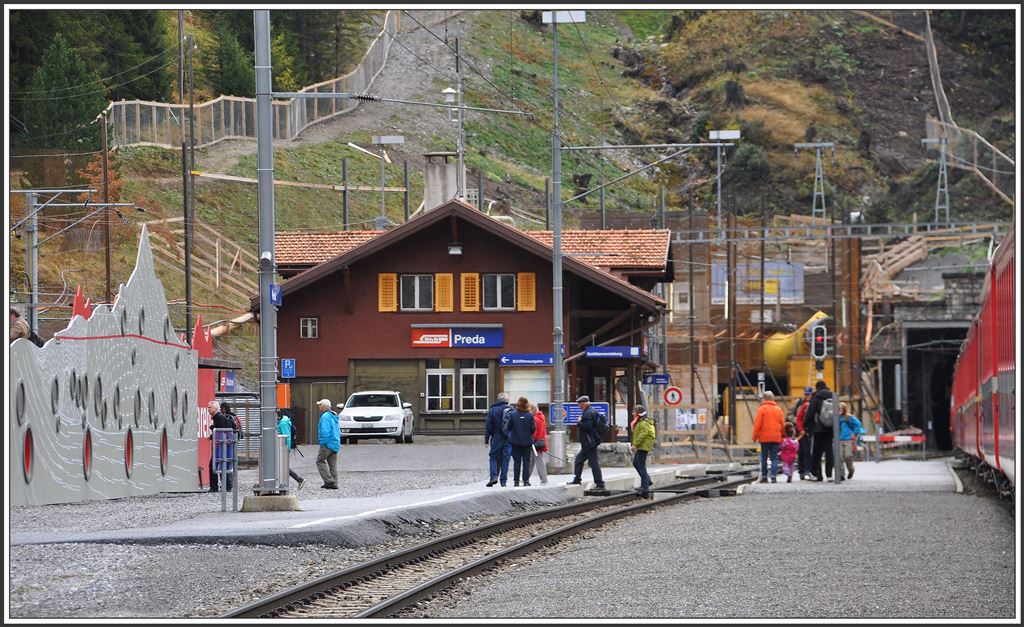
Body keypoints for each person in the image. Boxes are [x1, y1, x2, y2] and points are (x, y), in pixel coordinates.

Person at [568, 395, 605, 489]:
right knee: (579, 460)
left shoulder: (587, 413)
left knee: (593, 463)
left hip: (589, 443)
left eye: (579, 404)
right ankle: (577, 479)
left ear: (584, 403)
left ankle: (600, 483)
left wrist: (579, 422)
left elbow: (588, 427)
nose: (578, 406)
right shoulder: (591, 411)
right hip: (589, 442)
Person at [805, 380, 835, 481]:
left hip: (818, 429)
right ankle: (829, 475)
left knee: (817, 452)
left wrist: (809, 427)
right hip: (830, 428)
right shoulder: (833, 396)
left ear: (817, 387)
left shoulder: (816, 398)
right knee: (829, 451)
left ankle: (818, 474)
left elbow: (810, 414)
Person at [752, 391, 785, 483]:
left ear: (764, 398)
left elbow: (757, 424)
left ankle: (764, 476)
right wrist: (782, 436)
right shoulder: (778, 409)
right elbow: (782, 424)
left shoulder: (762, 409)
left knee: (764, 457)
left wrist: (754, 436)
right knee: (774, 457)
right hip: (776, 437)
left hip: (764, 437)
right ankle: (774, 476)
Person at [506, 396, 536, 486]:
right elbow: (533, 429)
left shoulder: (513, 415)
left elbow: (509, 427)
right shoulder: (530, 416)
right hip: (527, 442)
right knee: (526, 462)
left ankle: (516, 481)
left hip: (515, 441)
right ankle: (526, 481)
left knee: (517, 462)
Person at [484, 392, 512, 487]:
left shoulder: (493, 410)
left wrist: (487, 439)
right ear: (507, 400)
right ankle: (503, 481)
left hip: (496, 436)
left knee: (493, 457)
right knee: (505, 458)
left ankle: (493, 476)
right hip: (508, 438)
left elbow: (488, 426)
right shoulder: (511, 409)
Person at [207, 400, 236, 493]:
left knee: (216, 464)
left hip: (221, 445)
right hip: (221, 445)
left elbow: (222, 430)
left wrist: (212, 429)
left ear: (215, 408)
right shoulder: (217, 417)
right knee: (221, 464)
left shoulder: (219, 417)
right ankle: (226, 485)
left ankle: (216, 486)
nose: (208, 409)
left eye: (209, 407)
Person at [629, 405, 655, 495]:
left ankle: (645, 486)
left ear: (638, 414)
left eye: (634, 412)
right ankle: (647, 481)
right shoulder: (640, 422)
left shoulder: (643, 423)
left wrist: (635, 445)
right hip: (642, 445)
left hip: (643, 446)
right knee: (636, 463)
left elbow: (643, 434)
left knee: (641, 465)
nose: (632, 413)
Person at [277, 409, 305, 490]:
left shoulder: (282, 424)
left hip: (283, 447)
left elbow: (287, 437)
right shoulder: (283, 421)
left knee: (282, 466)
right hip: (281, 447)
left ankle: (299, 479)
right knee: (280, 465)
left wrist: (286, 449)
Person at [315, 399, 340, 489]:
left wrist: (322, 442)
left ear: (324, 406)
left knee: (319, 461)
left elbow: (325, 431)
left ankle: (329, 481)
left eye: (320, 405)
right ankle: (334, 483)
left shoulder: (325, 416)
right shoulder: (333, 415)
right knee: (332, 465)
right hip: (335, 443)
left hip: (327, 443)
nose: (319, 407)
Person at [837, 402, 866, 480]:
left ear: (844, 409)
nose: (839, 410)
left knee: (848, 456)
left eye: (841, 408)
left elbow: (858, 424)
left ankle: (851, 470)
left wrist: (854, 433)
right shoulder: (835, 418)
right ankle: (841, 474)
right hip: (838, 440)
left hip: (848, 440)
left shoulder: (848, 417)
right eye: (838, 408)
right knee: (839, 457)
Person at [794, 387, 814, 480]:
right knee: (801, 452)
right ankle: (802, 471)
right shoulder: (799, 403)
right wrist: (799, 428)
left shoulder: (813, 403)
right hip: (800, 432)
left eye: (808, 394)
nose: (807, 396)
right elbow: (795, 416)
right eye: (806, 394)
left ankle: (806, 470)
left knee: (807, 452)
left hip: (809, 431)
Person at [528, 403, 548, 485]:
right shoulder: (541, 417)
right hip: (541, 441)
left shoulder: (535, 419)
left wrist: (530, 440)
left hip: (536, 443)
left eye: (529, 410)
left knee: (538, 461)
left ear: (532, 410)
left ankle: (544, 480)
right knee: (531, 461)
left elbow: (534, 432)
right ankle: (526, 477)